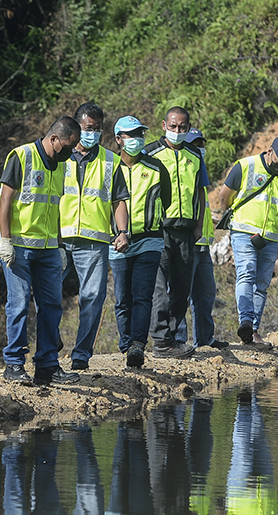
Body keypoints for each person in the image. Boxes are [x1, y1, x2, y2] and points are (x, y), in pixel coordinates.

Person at [0, 117, 82, 386]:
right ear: (54, 139)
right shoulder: (22, 156)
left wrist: (60, 245)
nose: (71, 151)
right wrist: (5, 240)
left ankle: (48, 365)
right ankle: (14, 364)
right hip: (18, 247)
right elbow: (6, 198)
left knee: (51, 306)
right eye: (69, 145)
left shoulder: (61, 166)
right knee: (18, 304)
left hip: (48, 247)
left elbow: (55, 207)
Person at [144, 107, 224, 358]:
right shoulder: (150, 153)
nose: (177, 131)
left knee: (181, 290)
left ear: (188, 128)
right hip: (160, 230)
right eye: (173, 126)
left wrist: (199, 224)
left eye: (183, 127)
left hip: (187, 231)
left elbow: (201, 191)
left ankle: (175, 338)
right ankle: (160, 340)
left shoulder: (194, 155)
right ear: (164, 125)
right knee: (159, 290)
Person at [59, 102, 130, 371]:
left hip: (94, 240)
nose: (94, 134)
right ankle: (50, 342)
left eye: (98, 129)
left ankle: (81, 356)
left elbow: (119, 200)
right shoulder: (58, 156)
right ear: (76, 127)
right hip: (58, 238)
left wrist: (122, 232)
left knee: (92, 299)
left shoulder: (111, 161)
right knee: (48, 294)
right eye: (89, 128)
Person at [211, 136, 278, 349]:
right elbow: (224, 196)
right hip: (243, 230)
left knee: (262, 284)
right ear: (269, 151)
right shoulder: (245, 166)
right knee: (246, 274)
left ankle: (253, 333)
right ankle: (246, 322)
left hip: (270, 235)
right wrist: (235, 217)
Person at [110, 116, 172, 368]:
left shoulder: (156, 167)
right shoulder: (110, 168)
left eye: (140, 134)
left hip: (149, 239)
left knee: (142, 295)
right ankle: (126, 344)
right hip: (116, 242)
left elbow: (165, 201)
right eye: (130, 135)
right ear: (118, 139)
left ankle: (137, 344)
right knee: (122, 298)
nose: (136, 139)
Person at [177, 128, 227, 351]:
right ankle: (178, 341)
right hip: (186, 242)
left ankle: (205, 339)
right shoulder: (181, 173)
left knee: (205, 294)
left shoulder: (200, 172)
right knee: (179, 294)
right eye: (194, 145)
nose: (199, 149)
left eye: (200, 145)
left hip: (203, 244)